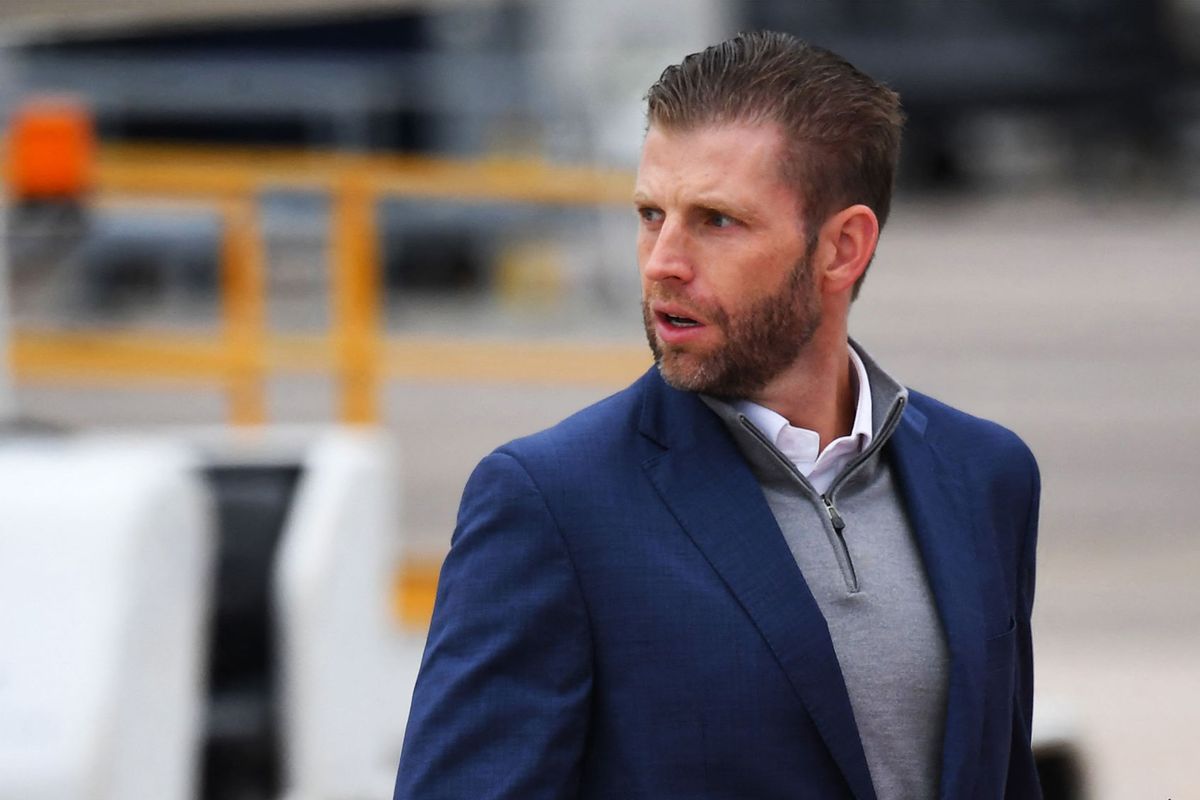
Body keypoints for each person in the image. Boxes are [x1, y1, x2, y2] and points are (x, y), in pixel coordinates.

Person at [394, 31, 1041, 800]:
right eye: (649, 214)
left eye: (716, 221)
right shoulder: (551, 503)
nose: (663, 260)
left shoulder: (985, 476)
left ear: (842, 248)